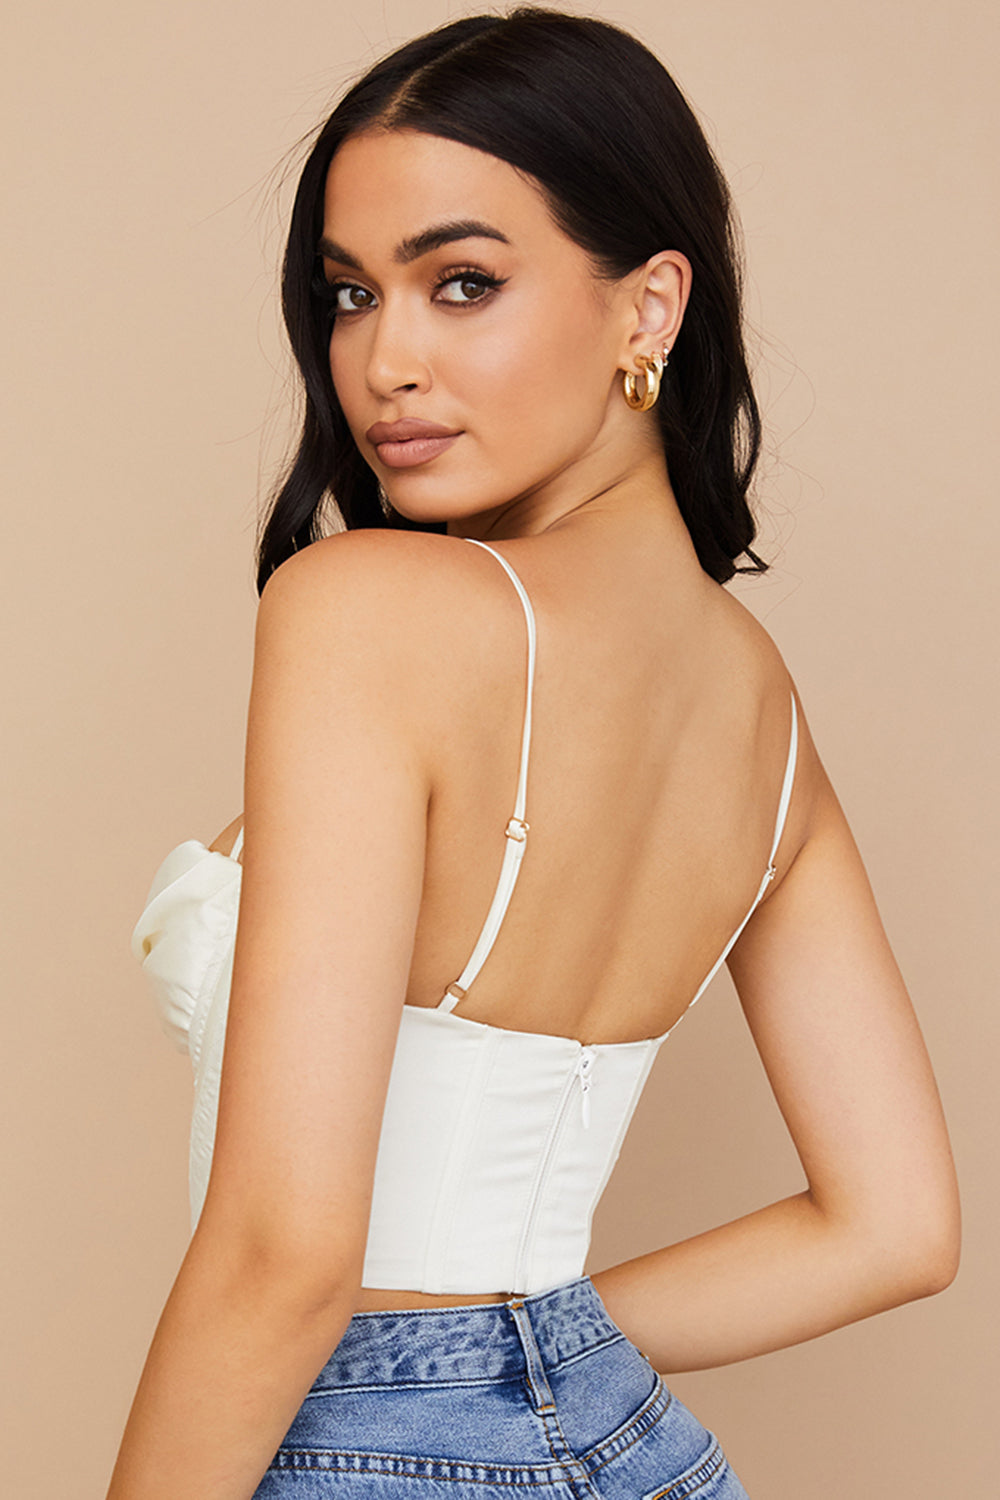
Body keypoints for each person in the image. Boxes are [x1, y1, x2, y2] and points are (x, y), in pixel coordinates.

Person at [110, 8, 961, 1497]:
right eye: (351, 294)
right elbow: (895, 1229)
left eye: (463, 283)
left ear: (649, 309)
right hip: (640, 1457)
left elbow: (286, 1252)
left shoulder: (363, 610)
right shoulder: (762, 713)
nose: (385, 360)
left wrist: (438, 1368)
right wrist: (526, 1350)